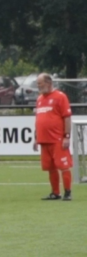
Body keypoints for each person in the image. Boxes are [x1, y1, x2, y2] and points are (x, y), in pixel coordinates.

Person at [33, 73, 73, 201]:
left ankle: (68, 192)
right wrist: (36, 137)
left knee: (63, 166)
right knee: (50, 168)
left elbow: (66, 117)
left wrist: (66, 136)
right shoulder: (39, 99)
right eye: (38, 84)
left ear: (49, 83)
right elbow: (38, 119)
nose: (38, 86)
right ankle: (55, 193)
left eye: (40, 83)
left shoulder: (60, 97)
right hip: (44, 140)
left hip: (57, 139)